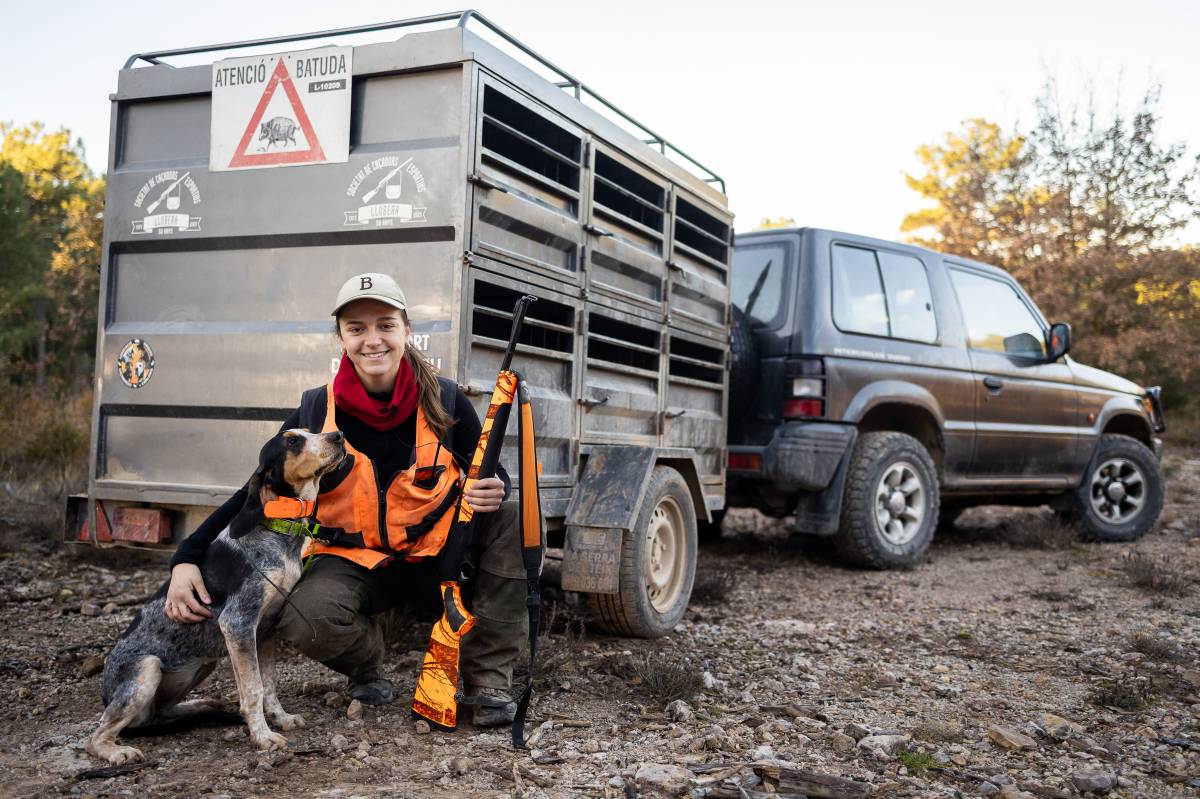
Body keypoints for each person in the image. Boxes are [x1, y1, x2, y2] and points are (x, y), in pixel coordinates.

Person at [164, 272, 528, 725]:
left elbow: (490, 472)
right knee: (303, 617)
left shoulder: (448, 400)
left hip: (436, 557)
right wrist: (186, 557)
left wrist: (498, 487)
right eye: (356, 328)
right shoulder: (318, 410)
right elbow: (253, 492)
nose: (372, 340)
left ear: (406, 330)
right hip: (354, 561)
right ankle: (367, 666)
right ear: (341, 337)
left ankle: (488, 684)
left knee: (511, 514)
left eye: (385, 325)